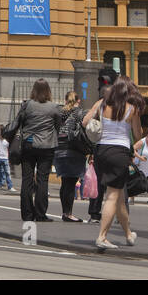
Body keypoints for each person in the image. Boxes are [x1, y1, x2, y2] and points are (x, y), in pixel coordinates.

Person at [84, 77, 144, 250]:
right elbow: (138, 134)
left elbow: (85, 122)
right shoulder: (131, 109)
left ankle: (128, 234)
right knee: (112, 195)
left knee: (117, 196)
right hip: (119, 153)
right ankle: (102, 236)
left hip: (101, 151)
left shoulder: (101, 104)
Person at [7, 78, 62, 220]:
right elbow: (58, 126)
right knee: (43, 179)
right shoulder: (53, 107)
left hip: (28, 144)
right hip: (46, 146)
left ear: (34, 90)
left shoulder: (27, 105)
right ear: (48, 91)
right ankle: (40, 214)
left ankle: (27, 214)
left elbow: (19, 121)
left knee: (27, 179)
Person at [53, 90, 89, 220]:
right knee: (71, 182)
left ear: (65, 100)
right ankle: (68, 214)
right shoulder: (80, 112)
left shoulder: (59, 113)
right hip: (73, 149)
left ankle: (65, 212)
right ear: (78, 101)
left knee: (65, 182)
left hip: (58, 149)